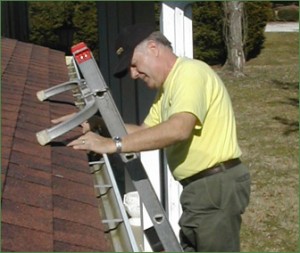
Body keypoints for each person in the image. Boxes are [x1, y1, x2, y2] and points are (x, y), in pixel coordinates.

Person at [62, 23, 251, 252]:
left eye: (134, 64)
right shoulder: (168, 88)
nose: (133, 74)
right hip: (203, 190)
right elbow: (144, 132)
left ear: (153, 48)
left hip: (214, 187)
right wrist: (100, 125)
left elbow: (179, 129)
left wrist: (113, 145)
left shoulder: (189, 73)